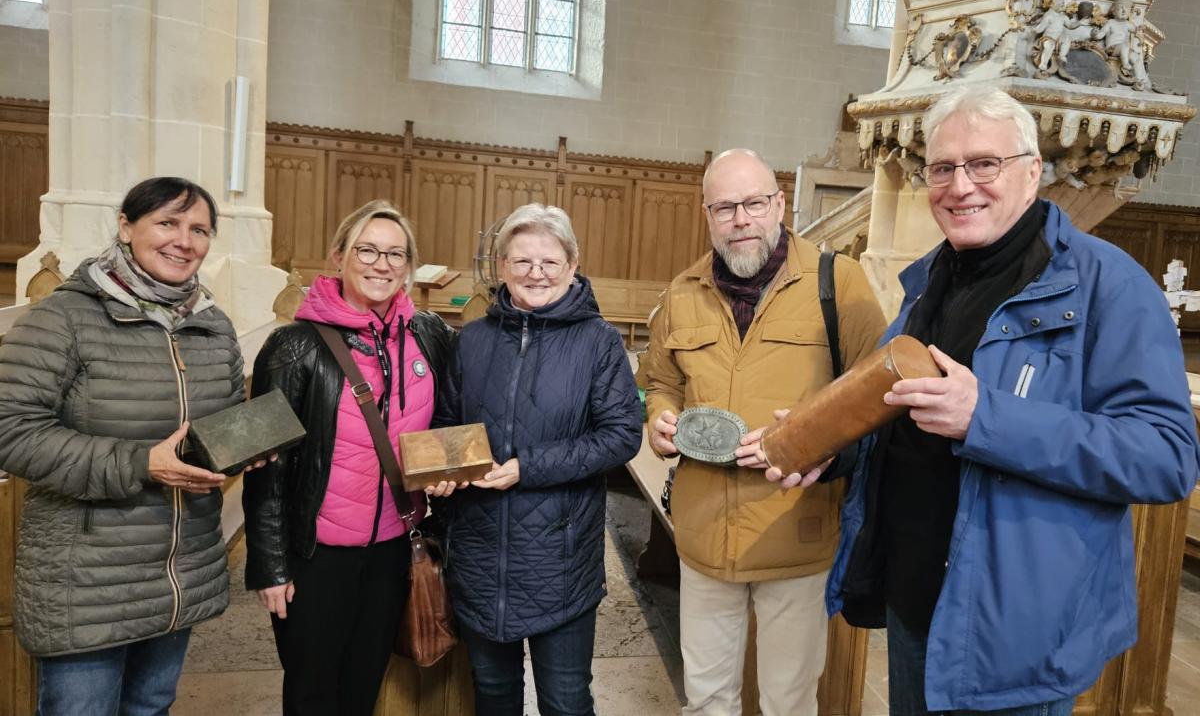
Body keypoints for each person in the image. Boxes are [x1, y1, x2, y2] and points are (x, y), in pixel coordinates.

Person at [760, 86, 1199, 715]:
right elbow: (900, 414)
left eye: (984, 164)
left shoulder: (1109, 285)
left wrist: (986, 418)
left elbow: (1167, 456)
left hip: (1015, 633)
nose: (960, 185)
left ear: (1030, 172)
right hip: (918, 606)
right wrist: (832, 450)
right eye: (943, 168)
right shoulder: (930, 281)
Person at [639, 149, 887, 716]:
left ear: (779, 204)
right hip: (703, 535)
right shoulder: (682, 292)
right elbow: (661, 381)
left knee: (789, 701)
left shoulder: (837, 283)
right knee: (705, 699)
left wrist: (822, 447)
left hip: (794, 531)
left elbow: (875, 398)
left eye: (753, 203)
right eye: (725, 207)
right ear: (707, 214)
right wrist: (659, 418)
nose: (741, 219)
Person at [0, 177, 245, 716]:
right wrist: (140, 464)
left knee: (150, 707)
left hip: (178, 572)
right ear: (126, 227)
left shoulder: (213, 327)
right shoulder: (65, 318)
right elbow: (10, 428)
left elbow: (219, 427)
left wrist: (248, 444)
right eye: (167, 223)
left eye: (199, 229)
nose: (185, 240)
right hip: (89, 578)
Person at [242, 200, 456, 716]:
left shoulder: (428, 336)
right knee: (313, 693)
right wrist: (270, 567)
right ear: (339, 257)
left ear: (409, 265)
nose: (382, 264)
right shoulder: (294, 347)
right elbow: (265, 466)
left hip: (391, 549)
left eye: (395, 254)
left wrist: (449, 470)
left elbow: (452, 419)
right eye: (367, 250)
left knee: (364, 688)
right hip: (316, 556)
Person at [429, 203, 642, 716]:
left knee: (565, 702)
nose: (536, 274)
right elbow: (447, 424)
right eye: (522, 261)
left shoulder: (599, 341)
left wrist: (529, 466)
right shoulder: (473, 339)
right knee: (494, 695)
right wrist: (442, 470)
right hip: (480, 555)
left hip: (560, 558)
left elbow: (621, 436)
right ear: (501, 266)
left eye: (549, 262)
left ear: (572, 265)